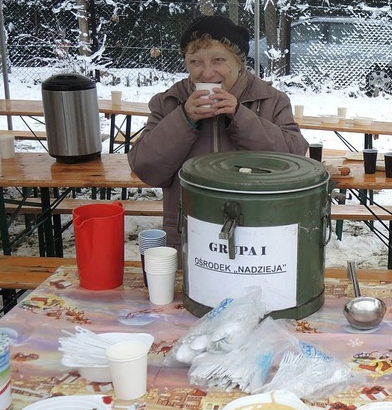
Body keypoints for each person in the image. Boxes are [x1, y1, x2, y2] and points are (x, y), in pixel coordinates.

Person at [128, 15, 308, 261]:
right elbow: (147, 169)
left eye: (218, 60)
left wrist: (239, 116)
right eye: (196, 62)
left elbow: (293, 161)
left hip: (259, 232)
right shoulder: (169, 102)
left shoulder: (271, 101)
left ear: (239, 62)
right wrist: (184, 118)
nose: (207, 73)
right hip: (189, 232)